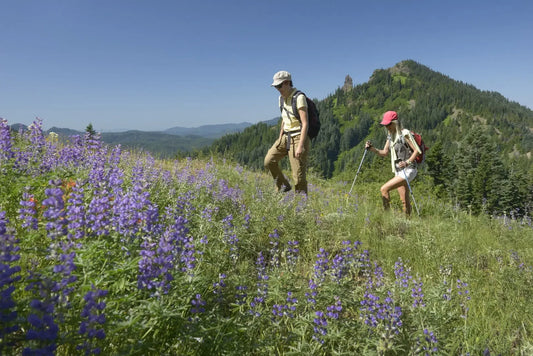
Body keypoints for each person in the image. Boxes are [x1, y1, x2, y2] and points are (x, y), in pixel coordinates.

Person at [365, 111, 421, 216]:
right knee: (404, 200)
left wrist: (407, 162)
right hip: (399, 171)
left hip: (409, 170)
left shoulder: (405, 134)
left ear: (395, 122)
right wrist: (372, 149)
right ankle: (407, 223)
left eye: (388, 124)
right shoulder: (390, 136)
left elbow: (417, 151)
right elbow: (384, 153)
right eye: (385, 125)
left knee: (384, 189)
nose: (386, 127)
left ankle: (387, 218)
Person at [264, 70, 310, 194]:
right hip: (285, 136)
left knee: (298, 176)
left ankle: (301, 207)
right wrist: (280, 138)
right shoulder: (281, 99)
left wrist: (301, 146)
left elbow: (305, 123)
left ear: (287, 83)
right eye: (276, 86)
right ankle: (283, 186)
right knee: (269, 161)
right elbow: (285, 119)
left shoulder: (299, 98)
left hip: (298, 137)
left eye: (279, 86)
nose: (277, 89)